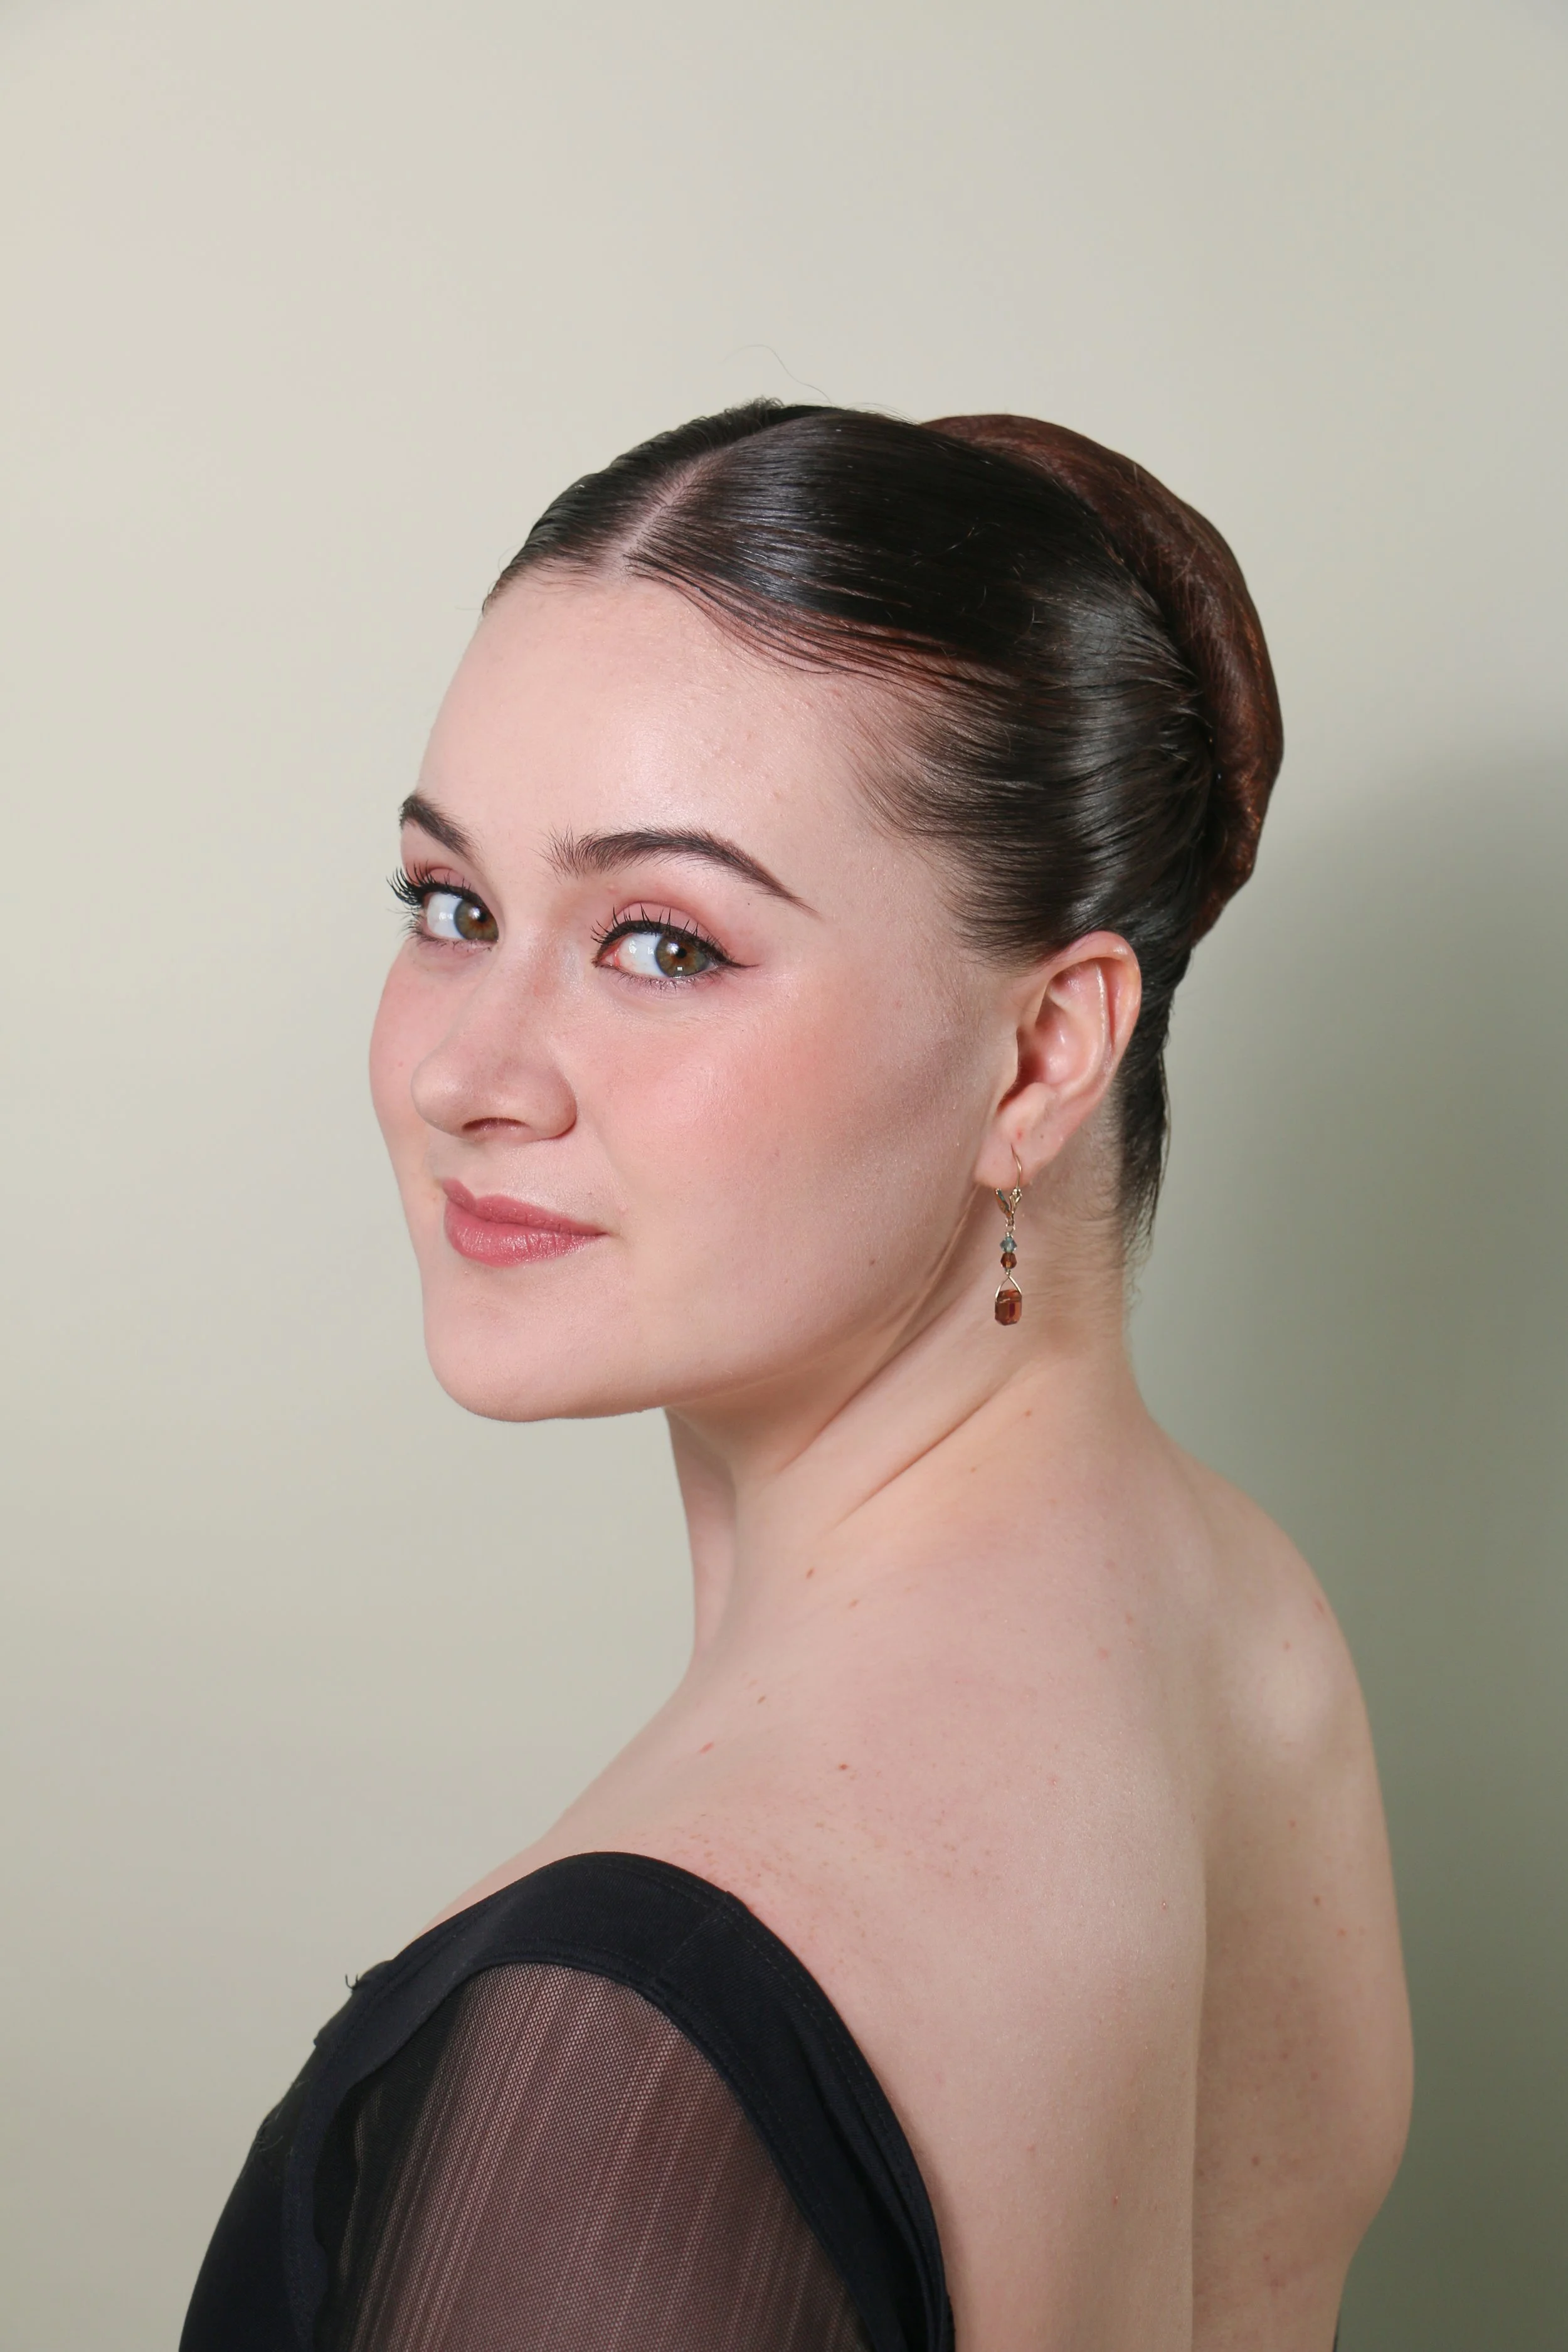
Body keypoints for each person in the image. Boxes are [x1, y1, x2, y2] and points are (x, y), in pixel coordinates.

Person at [181, 403, 1411, 2352]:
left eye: (662, 943)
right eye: (452, 907)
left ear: (1041, 1053)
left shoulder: (613, 2059)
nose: (464, 1074)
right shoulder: (1243, 1625)